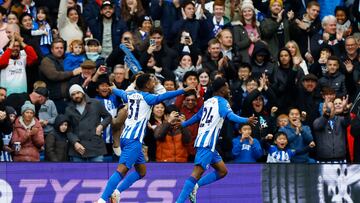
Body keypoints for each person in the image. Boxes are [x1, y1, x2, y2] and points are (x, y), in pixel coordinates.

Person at [96, 73, 195, 203]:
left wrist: (113, 88)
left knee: (141, 172)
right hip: (134, 140)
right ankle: (102, 199)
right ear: (147, 85)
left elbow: (119, 92)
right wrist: (184, 90)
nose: (154, 82)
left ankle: (117, 192)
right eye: (152, 80)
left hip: (126, 138)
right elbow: (165, 96)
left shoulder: (130, 94)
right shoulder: (148, 98)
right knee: (122, 170)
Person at [175, 78, 257, 203]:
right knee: (196, 173)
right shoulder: (222, 102)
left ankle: (195, 187)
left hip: (206, 143)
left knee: (222, 171)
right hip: (207, 143)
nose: (228, 89)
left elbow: (198, 116)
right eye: (226, 86)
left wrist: (184, 124)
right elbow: (230, 116)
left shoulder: (208, 101)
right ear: (222, 89)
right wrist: (246, 120)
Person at [65, 84, 112, 162]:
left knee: (98, 173)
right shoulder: (68, 109)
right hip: (78, 148)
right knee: (78, 174)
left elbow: (108, 117)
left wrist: (101, 125)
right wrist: (75, 142)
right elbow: (68, 129)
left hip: (95, 146)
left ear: (82, 93)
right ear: (71, 97)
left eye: (78, 93)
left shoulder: (96, 103)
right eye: (73, 94)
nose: (76, 96)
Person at [39, 38, 82, 114]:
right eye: (57, 48)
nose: (59, 50)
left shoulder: (67, 58)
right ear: (52, 50)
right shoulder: (47, 60)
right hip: (54, 99)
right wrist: (72, 73)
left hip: (69, 98)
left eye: (61, 48)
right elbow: (53, 75)